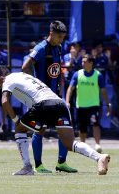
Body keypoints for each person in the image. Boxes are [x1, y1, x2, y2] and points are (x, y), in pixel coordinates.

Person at [0, 68, 110, 176]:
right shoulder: (22, 75)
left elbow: (4, 102)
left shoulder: (7, 80)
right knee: (70, 143)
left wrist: (15, 120)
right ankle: (99, 157)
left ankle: (27, 167)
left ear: (1, 78)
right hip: (60, 103)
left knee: (19, 128)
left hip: (43, 104)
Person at [22, 20, 77, 173]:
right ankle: (38, 166)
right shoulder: (40, 48)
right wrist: (34, 85)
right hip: (40, 97)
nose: (61, 40)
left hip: (54, 96)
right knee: (39, 130)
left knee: (64, 127)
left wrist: (59, 81)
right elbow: (25, 66)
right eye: (59, 37)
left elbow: (57, 68)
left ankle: (61, 163)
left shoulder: (58, 48)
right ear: (51, 33)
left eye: (63, 37)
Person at [66, 54, 111, 153]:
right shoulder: (77, 74)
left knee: (95, 124)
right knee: (82, 128)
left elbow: (103, 91)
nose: (82, 63)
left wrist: (108, 104)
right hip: (80, 105)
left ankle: (97, 144)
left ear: (91, 63)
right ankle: (83, 146)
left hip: (94, 105)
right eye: (82, 61)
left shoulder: (98, 75)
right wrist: (67, 101)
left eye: (84, 61)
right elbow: (70, 88)